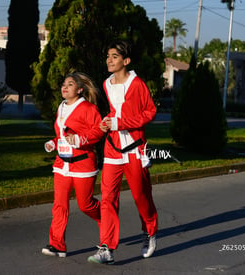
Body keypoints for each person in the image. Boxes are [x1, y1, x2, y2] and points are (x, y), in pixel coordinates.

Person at [87, 40, 158, 264]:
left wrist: (121, 123)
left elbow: (150, 112)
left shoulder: (137, 84)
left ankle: (149, 231)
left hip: (135, 148)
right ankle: (107, 248)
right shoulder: (106, 84)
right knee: (108, 198)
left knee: (141, 196)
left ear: (126, 61)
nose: (109, 60)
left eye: (115, 56)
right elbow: (116, 110)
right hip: (112, 148)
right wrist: (110, 122)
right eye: (108, 56)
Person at [41, 72, 105, 258]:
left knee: (86, 205)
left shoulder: (88, 108)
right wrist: (53, 142)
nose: (65, 87)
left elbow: (98, 132)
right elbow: (62, 135)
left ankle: (107, 220)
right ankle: (57, 245)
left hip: (83, 164)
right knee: (59, 205)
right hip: (62, 164)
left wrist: (79, 139)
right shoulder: (61, 107)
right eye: (64, 84)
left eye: (70, 84)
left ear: (79, 89)